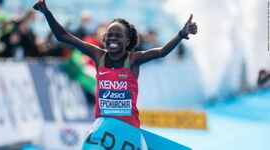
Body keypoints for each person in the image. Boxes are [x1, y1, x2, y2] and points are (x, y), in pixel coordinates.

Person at [34, 0, 197, 149]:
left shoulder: (133, 60)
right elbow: (63, 37)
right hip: (103, 130)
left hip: (128, 130)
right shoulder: (98, 56)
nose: (113, 38)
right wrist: (47, 13)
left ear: (126, 41)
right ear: (105, 39)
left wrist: (181, 34)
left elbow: (161, 52)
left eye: (118, 35)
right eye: (110, 35)